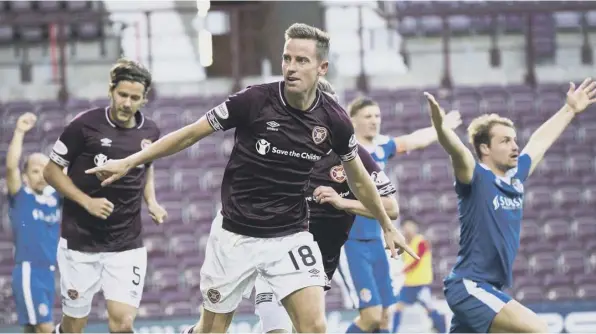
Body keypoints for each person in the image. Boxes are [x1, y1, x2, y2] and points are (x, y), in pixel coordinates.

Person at [85, 23, 416, 334]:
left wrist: (387, 224)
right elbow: (190, 134)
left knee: (315, 327)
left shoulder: (335, 122)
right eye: (287, 58)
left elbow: (359, 179)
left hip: (289, 235)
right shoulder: (255, 100)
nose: (291, 67)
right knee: (211, 330)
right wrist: (131, 160)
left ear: (321, 68)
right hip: (236, 234)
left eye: (302, 60)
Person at [425, 77, 596, 333]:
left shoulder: (516, 177)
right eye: (505, 141)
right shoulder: (476, 177)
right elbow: (458, 152)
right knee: (540, 330)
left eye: (514, 139)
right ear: (485, 148)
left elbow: (539, 142)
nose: (515, 146)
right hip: (470, 285)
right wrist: (442, 130)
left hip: (487, 287)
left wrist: (569, 109)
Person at [252, 78, 400, 334]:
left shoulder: (351, 155)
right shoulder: (278, 148)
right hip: (277, 255)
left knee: (321, 327)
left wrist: (343, 202)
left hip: (319, 263)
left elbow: (391, 207)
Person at [43, 58, 167, 333]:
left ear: (144, 100)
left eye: (135, 98)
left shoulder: (151, 131)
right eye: (122, 95)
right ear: (111, 91)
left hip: (126, 244)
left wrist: (152, 201)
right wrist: (87, 201)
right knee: (74, 327)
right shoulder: (84, 126)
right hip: (80, 243)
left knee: (123, 325)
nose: (127, 103)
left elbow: (145, 167)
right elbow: (50, 172)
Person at [341, 97, 462, 333]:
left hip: (377, 239)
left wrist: (440, 127)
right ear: (352, 120)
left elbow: (415, 140)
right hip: (349, 242)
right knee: (371, 317)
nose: (374, 121)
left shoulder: (382, 147)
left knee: (387, 315)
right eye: (368, 116)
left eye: (377, 116)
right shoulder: (343, 150)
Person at [7, 112, 61, 333]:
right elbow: (11, 168)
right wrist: (20, 131)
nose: (40, 175)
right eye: (34, 171)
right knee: (45, 328)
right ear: (26, 176)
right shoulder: (22, 197)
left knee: (32, 330)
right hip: (30, 271)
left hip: (48, 272)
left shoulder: (55, 198)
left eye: (44, 170)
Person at [392, 219, 446, 333]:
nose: (408, 229)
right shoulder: (405, 243)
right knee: (399, 308)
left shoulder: (421, 242)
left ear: (415, 227)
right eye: (405, 227)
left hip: (421, 283)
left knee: (429, 308)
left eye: (410, 226)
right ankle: (393, 331)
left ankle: (442, 329)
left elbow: (416, 260)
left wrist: (402, 270)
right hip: (410, 283)